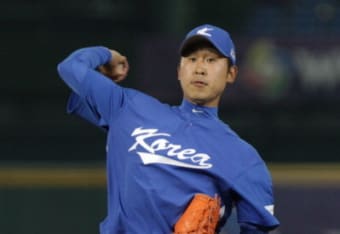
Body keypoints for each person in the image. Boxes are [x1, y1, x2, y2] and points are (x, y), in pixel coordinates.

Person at [57, 24, 280, 234]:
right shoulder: (129, 107)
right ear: (179, 70)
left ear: (231, 73)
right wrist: (108, 54)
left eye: (211, 60)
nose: (200, 68)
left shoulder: (243, 157)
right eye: (191, 59)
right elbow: (71, 67)